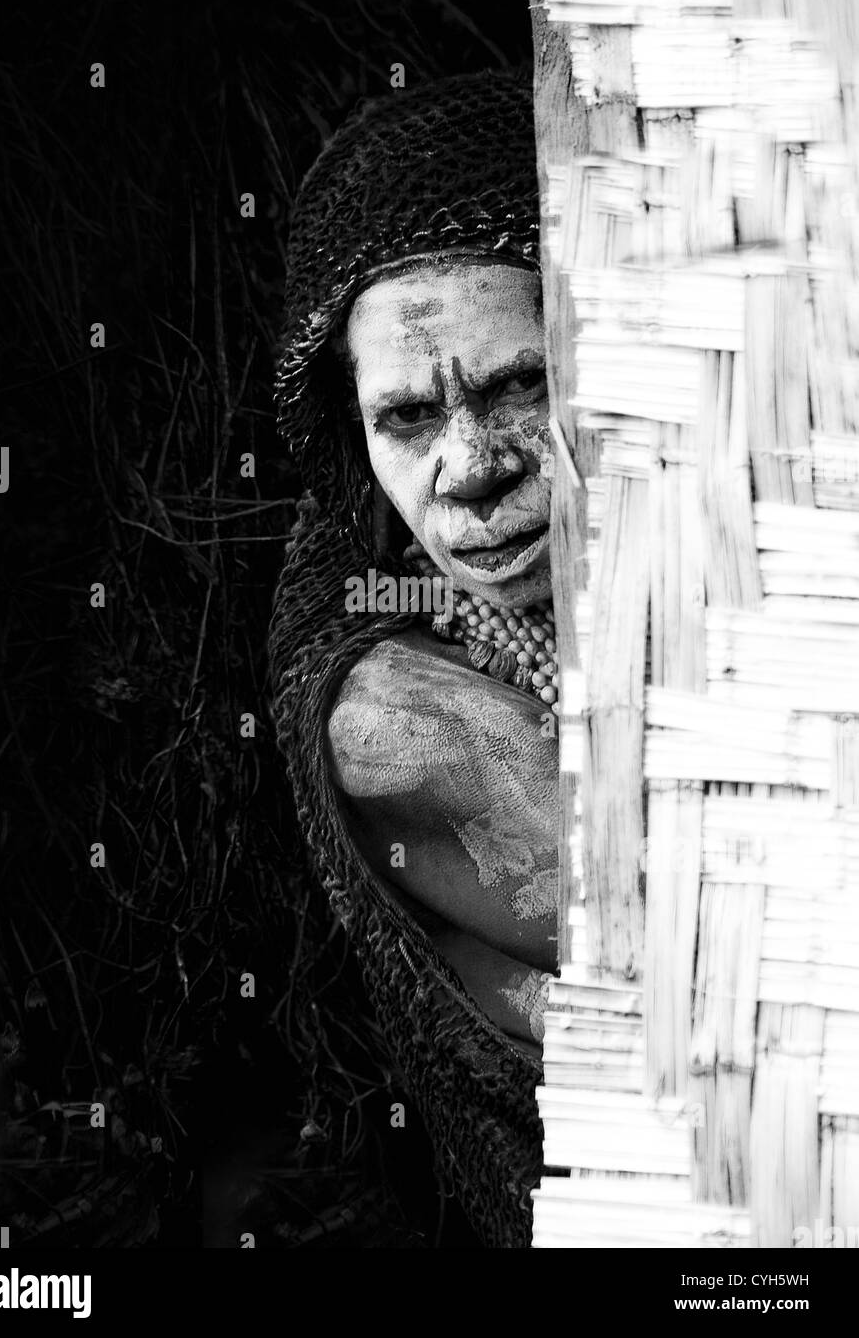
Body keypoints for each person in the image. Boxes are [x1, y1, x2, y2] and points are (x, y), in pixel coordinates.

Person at [270, 70, 565, 1248]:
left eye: (517, 386)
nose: (474, 465)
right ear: (355, 439)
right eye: (405, 417)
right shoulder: (387, 709)